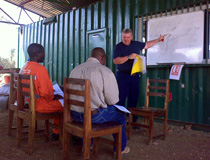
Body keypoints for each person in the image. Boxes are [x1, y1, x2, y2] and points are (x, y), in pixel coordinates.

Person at [69, 47, 130, 154]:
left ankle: (88, 144)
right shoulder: (104, 70)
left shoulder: (76, 69)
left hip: (74, 115)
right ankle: (120, 148)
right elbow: (112, 100)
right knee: (120, 115)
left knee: (90, 107)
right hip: (93, 117)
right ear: (102, 57)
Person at [113, 28, 166, 122]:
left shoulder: (136, 44)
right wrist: (128, 57)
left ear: (131, 37)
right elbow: (116, 61)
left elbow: (147, 44)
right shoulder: (118, 47)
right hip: (122, 76)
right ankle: (118, 122)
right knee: (121, 99)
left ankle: (132, 121)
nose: (126, 39)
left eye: (128, 37)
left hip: (134, 76)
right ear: (122, 37)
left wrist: (158, 39)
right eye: (124, 37)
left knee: (133, 99)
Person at [19, 43, 63, 141]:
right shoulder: (40, 69)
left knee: (59, 102)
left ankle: (57, 132)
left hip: (29, 103)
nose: (44, 55)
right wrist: (55, 96)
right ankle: (59, 133)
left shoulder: (24, 68)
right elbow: (47, 94)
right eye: (43, 53)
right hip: (40, 105)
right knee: (67, 104)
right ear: (37, 54)